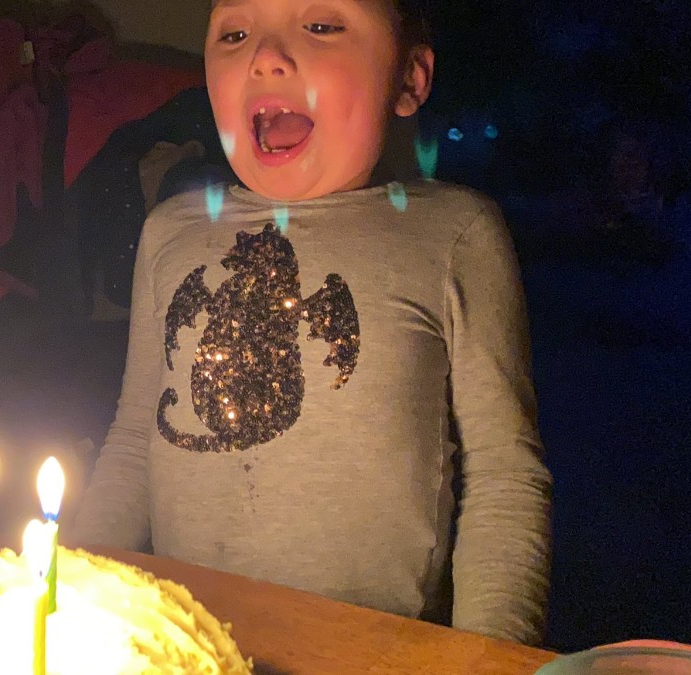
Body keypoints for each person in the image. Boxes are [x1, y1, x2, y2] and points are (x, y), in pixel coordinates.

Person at [71, 0, 552, 646]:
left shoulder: (453, 237)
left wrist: (490, 655)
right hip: (188, 642)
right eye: (235, 33)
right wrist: (64, 592)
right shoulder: (171, 233)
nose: (265, 58)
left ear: (409, 77)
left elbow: (503, 477)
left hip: (374, 650)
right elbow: (134, 443)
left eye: (321, 26)